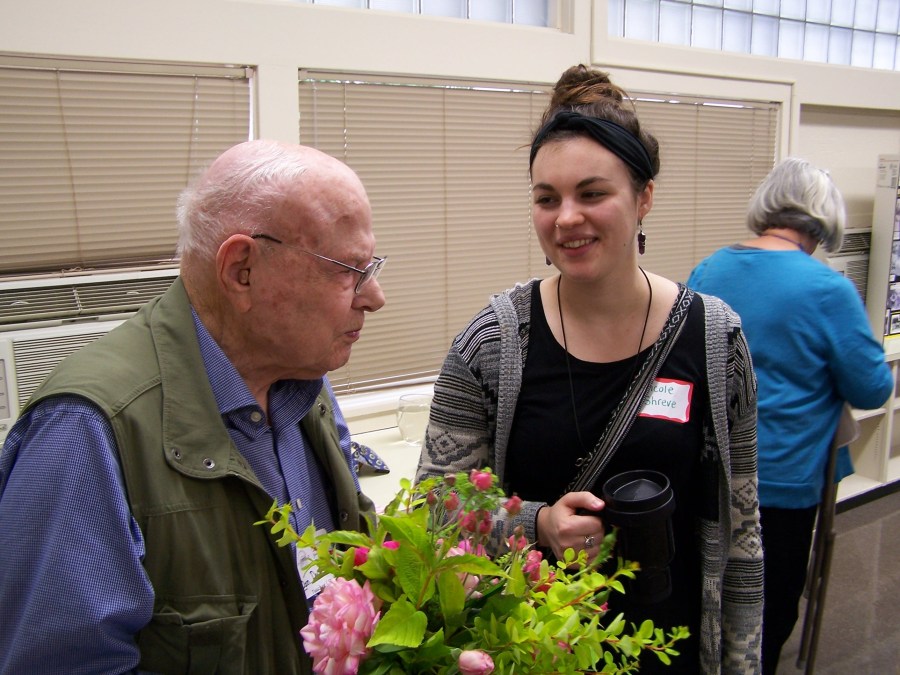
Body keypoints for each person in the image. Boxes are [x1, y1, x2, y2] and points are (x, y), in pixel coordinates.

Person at [417, 64, 763, 673]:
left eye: (592, 193)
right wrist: (537, 523)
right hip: (534, 651)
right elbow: (434, 507)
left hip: (671, 647)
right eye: (546, 198)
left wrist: (740, 660)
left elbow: (742, 527)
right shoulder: (492, 342)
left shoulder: (715, 338)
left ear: (644, 197)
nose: (566, 218)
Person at [0, 140, 386, 674]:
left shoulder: (303, 386)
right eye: (348, 270)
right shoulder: (85, 433)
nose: (375, 296)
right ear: (241, 271)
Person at [687, 157, 893, 674]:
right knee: (769, 606)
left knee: (706, 594)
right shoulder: (827, 289)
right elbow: (872, 387)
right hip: (781, 483)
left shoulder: (709, 269)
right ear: (823, 219)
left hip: (708, 474)